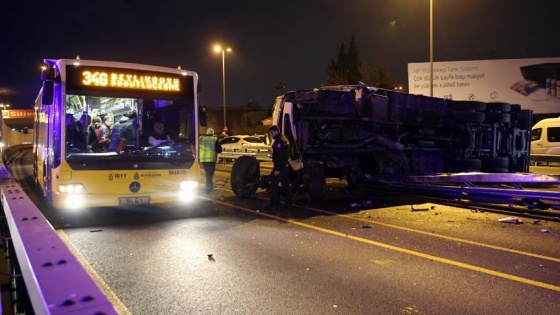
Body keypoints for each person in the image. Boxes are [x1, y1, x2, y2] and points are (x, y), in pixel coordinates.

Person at [267, 125, 292, 209]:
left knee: (273, 185)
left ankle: (273, 203)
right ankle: (288, 203)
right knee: (285, 185)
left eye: (271, 132)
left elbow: (281, 157)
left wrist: (277, 169)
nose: (271, 135)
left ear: (276, 131)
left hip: (280, 167)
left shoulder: (279, 141)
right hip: (283, 166)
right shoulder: (283, 140)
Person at [199, 127, 222, 195]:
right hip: (211, 160)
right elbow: (219, 150)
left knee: (208, 175)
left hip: (203, 160)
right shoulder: (214, 139)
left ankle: (210, 188)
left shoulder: (201, 139)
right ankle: (208, 189)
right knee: (209, 176)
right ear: (212, 133)